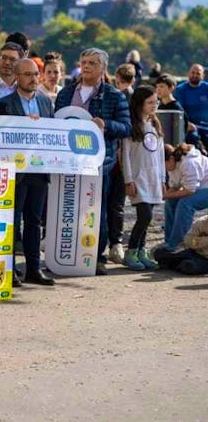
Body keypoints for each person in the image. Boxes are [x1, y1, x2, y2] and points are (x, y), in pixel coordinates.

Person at [55, 48, 131, 275]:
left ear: (102, 68)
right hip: (67, 162)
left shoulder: (114, 95)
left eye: (92, 63)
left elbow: (126, 128)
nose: (86, 66)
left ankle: (97, 256)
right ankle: (68, 254)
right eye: (84, 62)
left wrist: (105, 124)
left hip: (100, 164)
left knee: (97, 211)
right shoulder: (65, 94)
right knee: (68, 209)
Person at [0, 59, 56, 286]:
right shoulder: (4, 104)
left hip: (39, 170)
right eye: (27, 75)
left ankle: (34, 268)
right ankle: (9, 269)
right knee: (12, 221)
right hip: (16, 172)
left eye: (35, 74)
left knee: (34, 221)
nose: (33, 79)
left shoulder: (45, 102)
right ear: (16, 77)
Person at [120, 86, 163, 271]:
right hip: (138, 179)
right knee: (144, 216)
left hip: (154, 179)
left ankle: (142, 251)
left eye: (156, 102)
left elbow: (160, 154)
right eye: (150, 102)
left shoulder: (155, 124)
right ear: (140, 104)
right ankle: (131, 251)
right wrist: (128, 180)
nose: (154, 106)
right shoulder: (131, 126)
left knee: (148, 217)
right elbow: (126, 156)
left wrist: (162, 178)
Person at [106, 62, 138, 264]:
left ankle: (115, 242)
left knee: (116, 202)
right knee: (110, 203)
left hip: (121, 158)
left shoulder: (129, 99)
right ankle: (109, 243)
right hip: (110, 156)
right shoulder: (115, 98)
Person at [163, 143, 208, 250]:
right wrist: (166, 195)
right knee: (170, 203)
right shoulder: (172, 166)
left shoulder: (189, 162)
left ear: (171, 158)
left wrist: (168, 195)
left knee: (185, 203)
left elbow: (190, 190)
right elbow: (175, 186)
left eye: (163, 164)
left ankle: (178, 244)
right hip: (199, 188)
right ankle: (169, 242)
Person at [175, 64, 208, 143]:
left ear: (203, 76)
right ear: (188, 74)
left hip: (206, 125)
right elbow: (179, 110)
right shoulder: (180, 89)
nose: (195, 75)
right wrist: (186, 123)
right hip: (190, 126)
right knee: (193, 137)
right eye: (193, 73)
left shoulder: (206, 88)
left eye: (198, 73)